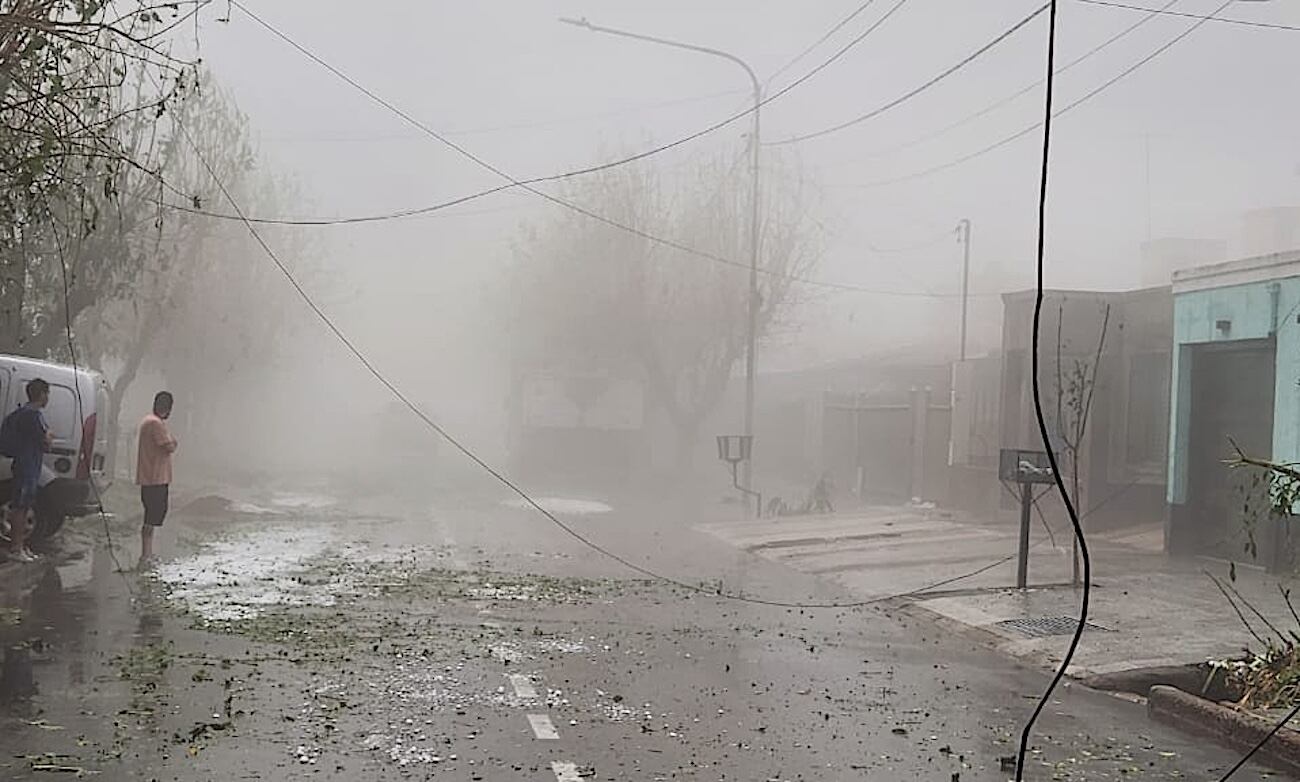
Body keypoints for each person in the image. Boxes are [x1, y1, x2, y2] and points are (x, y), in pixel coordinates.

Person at [6, 379, 53, 563]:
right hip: (26, 466)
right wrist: (49, 435)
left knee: (25, 506)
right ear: (41, 394)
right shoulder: (32, 416)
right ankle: (16, 547)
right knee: (21, 507)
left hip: (28, 465)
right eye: (47, 393)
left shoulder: (27, 414)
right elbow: (46, 440)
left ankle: (20, 545)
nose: (48, 398)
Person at [137, 392, 177, 566]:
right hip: (156, 477)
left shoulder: (148, 421)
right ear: (167, 408)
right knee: (152, 517)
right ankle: (146, 554)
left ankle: (148, 553)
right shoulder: (156, 424)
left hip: (149, 476)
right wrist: (174, 443)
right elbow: (169, 446)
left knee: (151, 516)